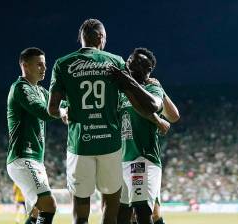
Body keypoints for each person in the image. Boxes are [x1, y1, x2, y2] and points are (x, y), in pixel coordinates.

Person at [48, 19, 161, 224]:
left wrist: (64, 112)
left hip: (80, 143)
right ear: (101, 37)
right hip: (110, 144)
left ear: (81, 38)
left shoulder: (62, 63)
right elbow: (136, 101)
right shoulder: (115, 61)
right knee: (111, 204)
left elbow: (52, 109)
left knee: (81, 207)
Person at [117, 48, 180, 224]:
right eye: (130, 59)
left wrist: (160, 89)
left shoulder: (151, 87)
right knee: (125, 215)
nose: (130, 63)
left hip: (142, 158)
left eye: (137, 62)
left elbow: (172, 115)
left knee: (144, 213)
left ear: (148, 69)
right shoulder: (121, 90)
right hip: (121, 159)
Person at [6, 47, 67, 224]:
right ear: (25, 65)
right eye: (39, 64)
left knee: (36, 213)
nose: (44, 68)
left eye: (45, 64)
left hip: (35, 160)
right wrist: (63, 111)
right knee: (49, 205)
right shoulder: (21, 88)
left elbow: (61, 103)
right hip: (23, 158)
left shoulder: (40, 91)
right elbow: (44, 111)